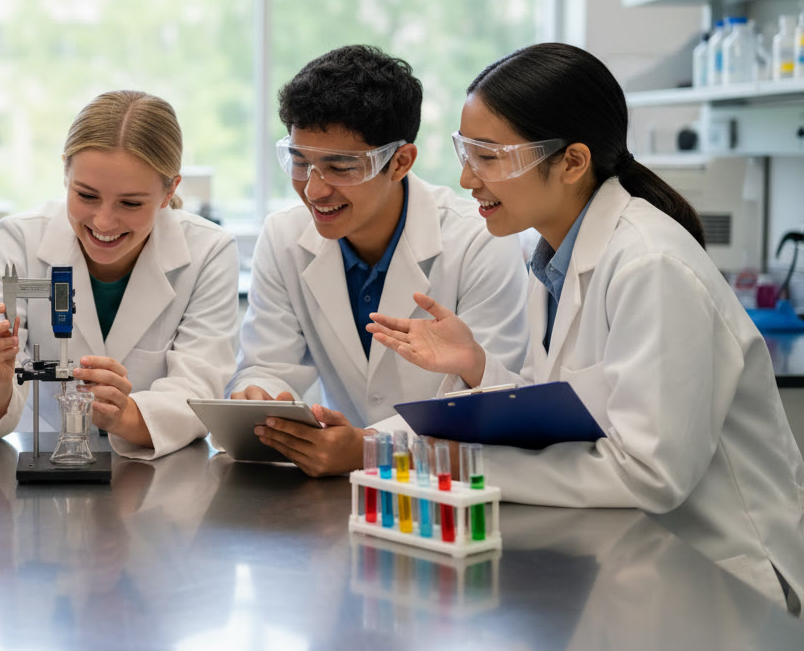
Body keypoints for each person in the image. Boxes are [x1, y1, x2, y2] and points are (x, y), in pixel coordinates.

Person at [366, 42, 804, 612]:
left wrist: (461, 468)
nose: (466, 178)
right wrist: (478, 369)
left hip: (728, 578)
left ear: (572, 162)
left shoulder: (651, 264)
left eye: (489, 157)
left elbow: (649, 473)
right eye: (466, 153)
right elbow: (573, 411)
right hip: (640, 562)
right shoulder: (551, 256)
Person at [229, 44, 529, 477]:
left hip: (448, 490)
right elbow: (267, 364)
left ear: (400, 162)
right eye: (299, 162)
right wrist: (260, 395)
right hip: (335, 499)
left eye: (340, 167)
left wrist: (371, 448)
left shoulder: (478, 240)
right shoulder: (284, 236)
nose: (314, 190)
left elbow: (492, 396)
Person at [0, 90, 238, 459]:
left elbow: (199, 391)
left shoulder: (209, 252)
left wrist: (127, 415)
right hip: (37, 481)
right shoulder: (19, 240)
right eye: (86, 195)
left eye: (131, 203)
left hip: (157, 486)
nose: (103, 222)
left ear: (170, 191)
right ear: (65, 174)